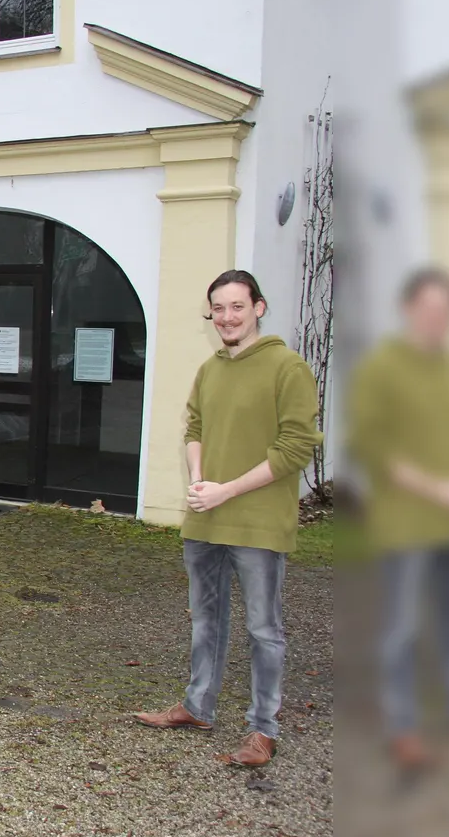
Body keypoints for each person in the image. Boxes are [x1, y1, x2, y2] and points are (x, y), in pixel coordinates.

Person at [133, 270, 323, 767]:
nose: (226, 317)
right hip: (206, 519)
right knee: (206, 620)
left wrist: (228, 490)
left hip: (257, 523)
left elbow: (296, 447)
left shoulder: (288, 367)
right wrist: (200, 480)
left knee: (264, 630)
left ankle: (264, 729)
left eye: (237, 306)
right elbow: (194, 426)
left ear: (258, 308)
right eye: (217, 308)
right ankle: (198, 706)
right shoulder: (210, 369)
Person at [348, 266, 449, 774]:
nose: (437, 318)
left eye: (446, 310)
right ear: (410, 309)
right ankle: (403, 726)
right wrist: (436, 488)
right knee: (403, 629)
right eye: (429, 308)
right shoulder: (384, 367)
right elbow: (372, 445)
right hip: (407, 527)